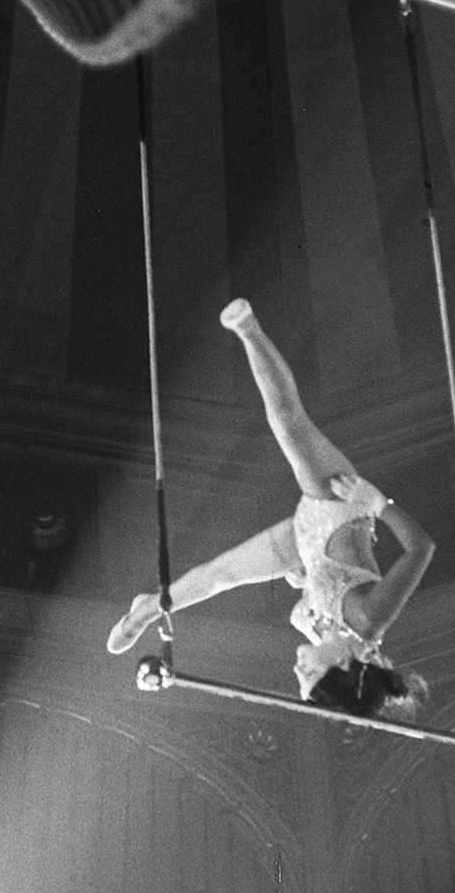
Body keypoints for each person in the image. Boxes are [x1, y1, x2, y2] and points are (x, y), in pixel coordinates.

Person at [107, 299, 435, 720]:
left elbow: (316, 592)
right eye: (309, 673)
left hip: (305, 545)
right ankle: (249, 328)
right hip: (339, 508)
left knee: (218, 575)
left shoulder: (318, 634)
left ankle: (150, 607)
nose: (297, 669)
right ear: (345, 665)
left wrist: (301, 578)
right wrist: (376, 502)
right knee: (287, 420)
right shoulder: (370, 621)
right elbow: (422, 548)